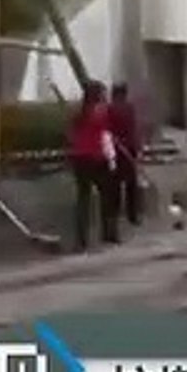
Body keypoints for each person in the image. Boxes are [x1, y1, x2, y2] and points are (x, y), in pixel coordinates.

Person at [69, 81, 119, 250]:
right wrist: (112, 159)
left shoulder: (78, 113)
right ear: (99, 95)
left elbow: (71, 136)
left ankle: (81, 240)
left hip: (79, 159)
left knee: (83, 199)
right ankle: (109, 233)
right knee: (107, 196)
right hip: (96, 158)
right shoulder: (101, 113)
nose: (106, 96)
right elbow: (106, 139)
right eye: (104, 93)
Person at [107, 83, 142, 226]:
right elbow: (133, 128)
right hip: (129, 147)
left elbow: (107, 129)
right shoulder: (129, 108)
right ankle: (132, 215)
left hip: (115, 148)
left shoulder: (109, 108)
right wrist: (138, 147)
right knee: (131, 183)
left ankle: (114, 213)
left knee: (114, 183)